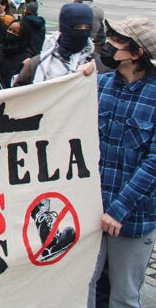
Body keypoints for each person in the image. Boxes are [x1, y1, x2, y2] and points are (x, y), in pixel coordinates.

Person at [83, 17, 156, 308]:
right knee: (82, 287)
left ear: (136, 53)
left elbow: (153, 163)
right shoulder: (98, 85)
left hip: (133, 219)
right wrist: (78, 79)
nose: (107, 44)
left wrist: (118, 210)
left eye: (116, 40)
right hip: (89, 212)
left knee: (124, 296)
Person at [13, 2, 94, 86]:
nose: (83, 32)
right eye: (77, 27)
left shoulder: (94, 63)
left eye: (87, 27)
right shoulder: (38, 63)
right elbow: (18, 93)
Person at [0, 20, 33, 90]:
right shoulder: (0, 49)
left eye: (15, 32)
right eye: (9, 29)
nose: (10, 33)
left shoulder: (27, 56)